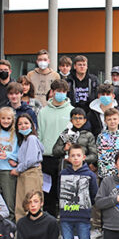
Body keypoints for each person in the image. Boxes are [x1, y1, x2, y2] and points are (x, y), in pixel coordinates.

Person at [57, 143, 98, 239]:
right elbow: (59, 193)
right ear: (68, 158)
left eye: (78, 155)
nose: (75, 158)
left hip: (82, 216)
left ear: (83, 157)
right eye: (72, 155)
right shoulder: (63, 174)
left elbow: (94, 195)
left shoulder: (90, 175)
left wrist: (85, 207)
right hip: (66, 216)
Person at [37, 79, 73, 215]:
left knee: (66, 193)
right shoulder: (43, 112)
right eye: (58, 91)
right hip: (47, 158)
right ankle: (50, 222)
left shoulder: (71, 111)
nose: (61, 94)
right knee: (48, 193)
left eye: (63, 92)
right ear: (52, 92)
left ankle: (66, 222)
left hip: (65, 158)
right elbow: (40, 134)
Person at [10, 114, 44, 220]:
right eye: (20, 124)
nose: (23, 126)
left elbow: (31, 160)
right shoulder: (24, 140)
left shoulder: (32, 138)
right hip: (24, 174)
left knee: (31, 203)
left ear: (32, 125)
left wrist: (18, 169)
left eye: (26, 123)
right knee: (21, 205)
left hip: (31, 174)